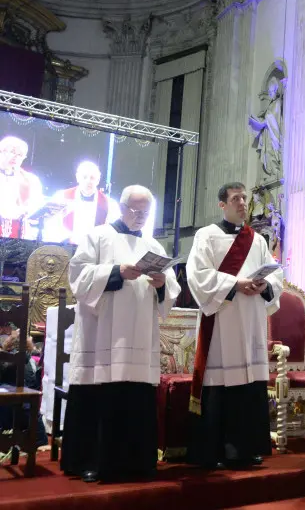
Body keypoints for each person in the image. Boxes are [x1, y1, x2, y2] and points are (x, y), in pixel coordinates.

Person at [62, 185, 180, 482]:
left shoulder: (154, 245)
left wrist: (161, 283)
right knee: (102, 396)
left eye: (146, 213)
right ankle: (93, 461)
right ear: (122, 207)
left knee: (136, 398)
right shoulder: (97, 235)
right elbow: (78, 276)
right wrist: (115, 272)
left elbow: (172, 291)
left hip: (140, 334)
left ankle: (138, 463)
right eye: (135, 211)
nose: (140, 217)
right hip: (102, 333)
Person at [185, 182, 284, 469]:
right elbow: (197, 276)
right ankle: (215, 451)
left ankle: (245, 449)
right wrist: (236, 283)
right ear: (222, 205)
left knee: (249, 385)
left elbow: (275, 276)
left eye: (244, 198)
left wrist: (264, 285)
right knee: (221, 385)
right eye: (235, 198)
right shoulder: (207, 235)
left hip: (251, 318)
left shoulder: (258, 240)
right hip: (222, 319)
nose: (242, 203)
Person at [46, 161, 121, 244]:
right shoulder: (61, 197)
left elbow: (113, 230)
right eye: (84, 177)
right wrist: (67, 237)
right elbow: (51, 224)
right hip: (66, 246)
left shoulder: (110, 204)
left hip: (95, 249)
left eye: (92, 178)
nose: (88, 181)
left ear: (98, 180)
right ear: (78, 178)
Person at [0, 136, 44, 239]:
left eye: (20, 154)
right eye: (12, 152)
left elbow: (36, 207)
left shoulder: (31, 180)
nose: (15, 157)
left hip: (19, 237)